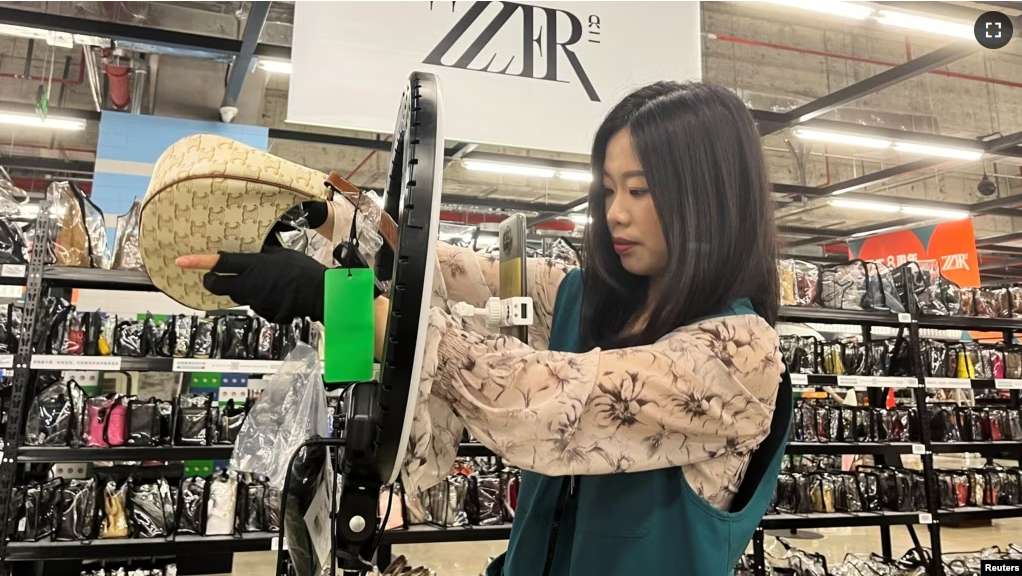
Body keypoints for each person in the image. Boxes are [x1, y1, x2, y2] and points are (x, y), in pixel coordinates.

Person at [177, 81, 791, 575]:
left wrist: (335, 300)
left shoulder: (738, 354)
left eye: (640, 190)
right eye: (607, 189)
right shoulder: (587, 297)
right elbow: (453, 272)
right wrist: (326, 217)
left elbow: (547, 400)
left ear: (709, 197)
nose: (616, 213)